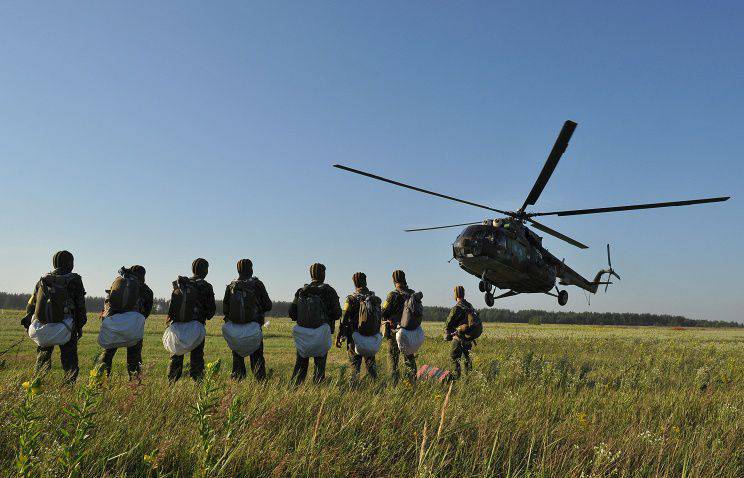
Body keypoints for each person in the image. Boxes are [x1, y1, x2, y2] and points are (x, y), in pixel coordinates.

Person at [22, 250, 87, 384]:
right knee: (69, 360)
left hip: (44, 325)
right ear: (70, 263)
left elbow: (31, 304)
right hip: (67, 325)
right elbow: (80, 305)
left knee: (42, 358)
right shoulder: (74, 280)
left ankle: (36, 386)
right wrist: (80, 326)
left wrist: (29, 324)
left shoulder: (43, 280)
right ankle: (68, 388)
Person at [288, 263, 341, 384]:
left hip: (303, 335)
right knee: (320, 367)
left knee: (300, 365)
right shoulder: (329, 291)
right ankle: (318, 390)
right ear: (323, 274)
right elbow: (337, 314)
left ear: (311, 274)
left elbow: (292, 312)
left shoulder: (301, 291)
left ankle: (294, 389)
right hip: (321, 334)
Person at [99, 265, 154, 379]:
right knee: (134, 360)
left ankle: (99, 382)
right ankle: (134, 387)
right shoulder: (145, 289)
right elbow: (146, 313)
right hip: (132, 327)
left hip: (114, 326)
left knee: (106, 356)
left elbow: (107, 305)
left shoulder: (117, 283)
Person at [222, 258, 272, 381]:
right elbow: (268, 305)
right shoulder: (257, 284)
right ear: (251, 269)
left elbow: (225, 310)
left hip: (235, 331)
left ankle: (236, 383)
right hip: (253, 330)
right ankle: (260, 386)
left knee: (237, 360)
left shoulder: (231, 286)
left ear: (238, 270)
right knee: (257, 359)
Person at [167, 258, 216, 382]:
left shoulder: (181, 284)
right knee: (197, 358)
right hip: (196, 328)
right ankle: (198, 385)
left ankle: (170, 384)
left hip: (177, 327)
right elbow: (210, 312)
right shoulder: (206, 286)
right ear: (204, 270)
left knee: (176, 357)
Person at [336, 272, 378, 381]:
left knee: (354, 365)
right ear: (365, 281)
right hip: (371, 335)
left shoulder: (351, 299)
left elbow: (344, 318)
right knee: (371, 365)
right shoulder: (373, 298)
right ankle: (377, 387)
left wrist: (340, 335)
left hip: (354, 336)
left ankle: (353, 389)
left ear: (355, 283)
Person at [382, 270, 418, 384]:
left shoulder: (392, 295)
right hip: (410, 332)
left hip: (395, 332)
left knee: (393, 359)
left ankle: (394, 384)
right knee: (409, 358)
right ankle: (412, 382)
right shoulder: (412, 294)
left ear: (394, 280)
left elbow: (383, 312)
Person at [444, 286, 477, 380]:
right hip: (468, 338)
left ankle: (455, 378)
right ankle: (468, 379)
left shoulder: (456, 308)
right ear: (463, 293)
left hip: (458, 338)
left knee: (454, 358)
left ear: (456, 295)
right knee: (467, 360)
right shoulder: (470, 306)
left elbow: (448, 324)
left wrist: (448, 334)